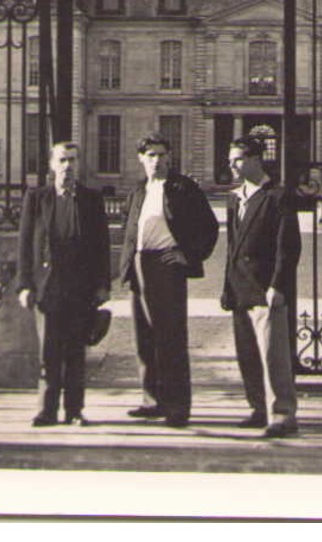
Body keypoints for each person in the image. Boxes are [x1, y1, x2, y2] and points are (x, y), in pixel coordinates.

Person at [119, 133, 219, 427]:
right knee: (144, 337)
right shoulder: (137, 191)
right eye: (151, 155)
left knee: (171, 338)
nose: (157, 160)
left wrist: (188, 255)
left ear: (170, 157)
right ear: (141, 158)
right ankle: (152, 400)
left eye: (162, 155)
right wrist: (126, 267)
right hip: (140, 265)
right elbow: (129, 229)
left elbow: (209, 227)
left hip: (167, 265)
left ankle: (177, 407)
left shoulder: (183, 188)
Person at [16, 141, 111, 427]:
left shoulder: (91, 199)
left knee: (76, 351)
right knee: (49, 351)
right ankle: (46, 410)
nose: (67, 166)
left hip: (80, 287)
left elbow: (101, 247)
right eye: (62, 160)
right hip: (48, 287)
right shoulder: (36, 198)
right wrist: (25, 284)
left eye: (72, 160)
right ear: (51, 164)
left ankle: (74, 410)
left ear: (78, 164)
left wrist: (102, 285)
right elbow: (24, 246)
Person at [221, 135, 301, 438]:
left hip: (266, 288)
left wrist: (278, 285)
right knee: (247, 354)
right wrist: (227, 288)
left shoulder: (277, 196)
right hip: (240, 286)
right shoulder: (235, 197)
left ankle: (282, 413)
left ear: (256, 159)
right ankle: (257, 408)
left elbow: (288, 247)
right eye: (231, 159)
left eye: (238, 159)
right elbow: (231, 247)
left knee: (273, 355)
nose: (232, 165)